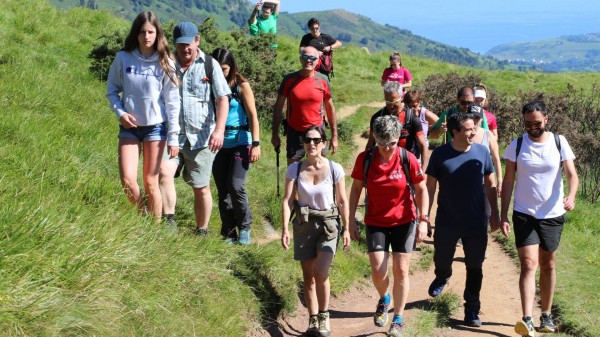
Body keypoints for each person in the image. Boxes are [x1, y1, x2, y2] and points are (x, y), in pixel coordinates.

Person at [500, 100, 578, 337]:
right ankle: (526, 318)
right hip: (524, 213)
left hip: (552, 215)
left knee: (548, 264)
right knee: (528, 264)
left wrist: (571, 196)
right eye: (527, 124)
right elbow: (508, 181)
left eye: (536, 123)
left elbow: (572, 175)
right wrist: (503, 214)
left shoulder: (559, 142)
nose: (532, 127)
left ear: (546, 119)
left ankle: (545, 314)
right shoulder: (517, 144)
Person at [348, 115, 429, 337]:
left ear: (398, 139)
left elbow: (422, 190)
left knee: (401, 270)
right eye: (381, 143)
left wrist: (424, 220)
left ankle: (398, 319)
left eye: (391, 143)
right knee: (378, 271)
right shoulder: (365, 159)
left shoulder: (407, 158)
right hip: (375, 221)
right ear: (374, 138)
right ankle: (384, 298)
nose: (386, 148)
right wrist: (349, 221)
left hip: (405, 220)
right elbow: (355, 190)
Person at [425, 112, 500, 328]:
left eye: (474, 128)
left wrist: (494, 214)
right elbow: (430, 188)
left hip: (476, 222)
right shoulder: (440, 154)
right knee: (441, 258)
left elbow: (490, 185)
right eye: (468, 129)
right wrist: (424, 217)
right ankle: (443, 275)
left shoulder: (482, 152)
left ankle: (472, 307)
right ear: (455, 131)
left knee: (475, 266)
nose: (474, 132)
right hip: (447, 221)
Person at [106, 11, 180, 220]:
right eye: (142, 32)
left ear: (157, 34)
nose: (146, 36)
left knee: (150, 181)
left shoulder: (165, 62)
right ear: (135, 34)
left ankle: (153, 229)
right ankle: (143, 216)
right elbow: (112, 90)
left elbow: (173, 103)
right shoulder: (123, 58)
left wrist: (174, 137)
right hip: (129, 127)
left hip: (156, 128)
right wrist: (120, 113)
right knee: (128, 180)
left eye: (150, 32)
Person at [281, 126, 350, 337]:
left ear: (323, 143)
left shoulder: (335, 168)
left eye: (316, 140)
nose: (311, 144)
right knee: (308, 276)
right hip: (304, 224)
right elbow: (287, 201)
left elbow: (341, 200)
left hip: (328, 224)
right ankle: (312, 321)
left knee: (321, 272)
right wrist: (285, 229)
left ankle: (324, 316)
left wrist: (347, 228)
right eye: (307, 140)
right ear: (303, 143)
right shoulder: (295, 169)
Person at [169, 22, 231, 236]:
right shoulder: (166, 64)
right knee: (163, 175)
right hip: (172, 136)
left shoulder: (210, 65)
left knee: (201, 187)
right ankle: (168, 222)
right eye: (180, 45)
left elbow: (223, 98)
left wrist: (219, 130)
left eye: (189, 44)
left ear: (197, 41)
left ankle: (201, 230)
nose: (185, 49)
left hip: (202, 138)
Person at [211, 47, 261, 244]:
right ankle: (228, 230)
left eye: (223, 69)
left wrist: (256, 144)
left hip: (241, 141)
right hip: (218, 143)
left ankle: (245, 226)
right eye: (217, 68)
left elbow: (253, 115)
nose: (220, 72)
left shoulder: (241, 85)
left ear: (231, 67)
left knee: (235, 185)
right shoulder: (209, 85)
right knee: (223, 189)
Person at [272, 46, 338, 165]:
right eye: (305, 57)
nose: (309, 60)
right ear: (300, 59)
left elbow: (330, 108)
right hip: (295, 132)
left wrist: (334, 136)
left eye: (312, 57)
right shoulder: (289, 80)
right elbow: (278, 107)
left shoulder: (323, 80)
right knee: (293, 173)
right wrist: (275, 134)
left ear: (318, 60)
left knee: (319, 169)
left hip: (318, 131)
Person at [366, 82, 429, 171]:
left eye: (394, 101)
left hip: (407, 166)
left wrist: (423, 169)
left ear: (401, 97)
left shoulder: (412, 118)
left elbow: (423, 145)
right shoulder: (377, 117)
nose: (391, 105)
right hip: (384, 166)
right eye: (387, 101)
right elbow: (370, 144)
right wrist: (365, 167)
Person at [403, 89, 439, 161]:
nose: (411, 109)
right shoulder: (403, 113)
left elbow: (439, 123)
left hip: (421, 152)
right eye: (408, 107)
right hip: (406, 150)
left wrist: (429, 129)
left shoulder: (424, 113)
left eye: (414, 106)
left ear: (419, 102)